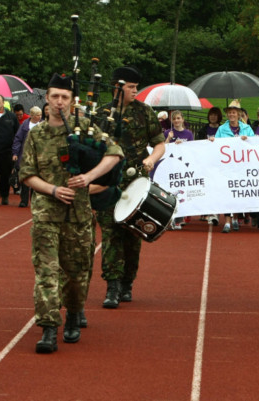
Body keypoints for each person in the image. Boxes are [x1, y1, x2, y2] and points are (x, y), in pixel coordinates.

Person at [19, 73, 124, 354]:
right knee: (46, 272)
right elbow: (27, 174)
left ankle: (74, 313)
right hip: (46, 214)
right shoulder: (36, 134)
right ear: (47, 99)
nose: (59, 102)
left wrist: (89, 176)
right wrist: (52, 190)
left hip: (78, 214)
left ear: (72, 100)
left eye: (64, 97)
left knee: (77, 273)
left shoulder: (85, 129)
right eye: (54, 96)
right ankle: (49, 327)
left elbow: (115, 153)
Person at [97, 66, 165, 309]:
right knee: (110, 234)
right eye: (131, 87)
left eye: (137, 87)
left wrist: (151, 160)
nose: (136, 91)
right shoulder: (102, 113)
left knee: (133, 235)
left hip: (136, 182)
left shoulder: (145, 112)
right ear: (117, 87)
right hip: (108, 182)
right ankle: (112, 286)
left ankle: (127, 282)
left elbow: (159, 144)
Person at [214, 99, 255, 233]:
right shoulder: (222, 129)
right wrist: (212, 141)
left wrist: (247, 140)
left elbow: (254, 144)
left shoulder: (247, 128)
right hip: (227, 166)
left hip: (242, 166)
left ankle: (236, 218)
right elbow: (216, 146)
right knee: (227, 192)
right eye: (229, 113)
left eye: (234, 112)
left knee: (238, 192)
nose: (231, 115)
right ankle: (227, 221)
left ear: (238, 114)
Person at [13, 106, 43, 207]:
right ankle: (24, 200)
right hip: (26, 154)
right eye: (38, 115)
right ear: (32, 116)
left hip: (39, 155)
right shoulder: (24, 125)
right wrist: (15, 153)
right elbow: (18, 139)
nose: (40, 117)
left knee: (37, 178)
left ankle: (34, 200)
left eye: (40, 115)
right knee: (26, 177)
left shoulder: (43, 125)